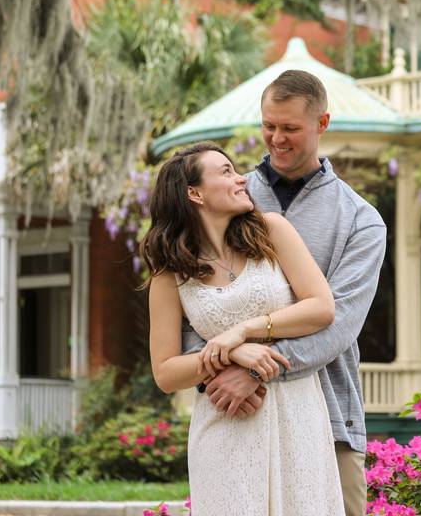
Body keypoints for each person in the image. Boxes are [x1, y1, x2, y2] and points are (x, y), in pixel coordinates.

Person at [182, 70, 387, 516]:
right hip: (232, 412)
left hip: (328, 417)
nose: (276, 139)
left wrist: (256, 371)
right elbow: (195, 304)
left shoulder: (361, 221)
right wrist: (219, 370)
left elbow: (338, 324)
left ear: (322, 124)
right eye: (269, 125)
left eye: (290, 128)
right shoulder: (229, 196)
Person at [143, 141, 345, 515]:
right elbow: (166, 372)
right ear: (194, 193)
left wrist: (244, 332)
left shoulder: (272, 231)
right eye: (225, 172)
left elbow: (321, 307)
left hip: (295, 413)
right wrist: (230, 353)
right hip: (226, 422)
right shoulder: (170, 275)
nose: (241, 179)